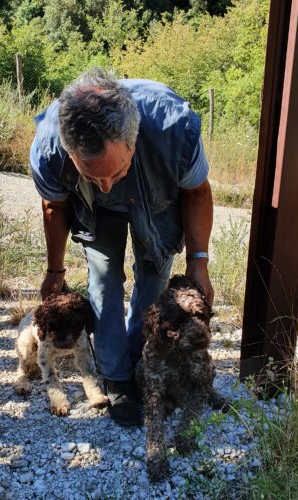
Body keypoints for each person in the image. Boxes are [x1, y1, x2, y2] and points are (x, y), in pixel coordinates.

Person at [29, 68, 214, 426]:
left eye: (115, 171)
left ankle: (143, 362)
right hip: (92, 211)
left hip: (157, 199)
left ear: (134, 141)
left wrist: (198, 263)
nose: (107, 185)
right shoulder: (49, 147)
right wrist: (55, 271)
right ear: (69, 152)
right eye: (92, 174)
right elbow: (55, 206)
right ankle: (117, 377)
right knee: (103, 279)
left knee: (153, 277)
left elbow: (198, 192)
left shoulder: (175, 130)